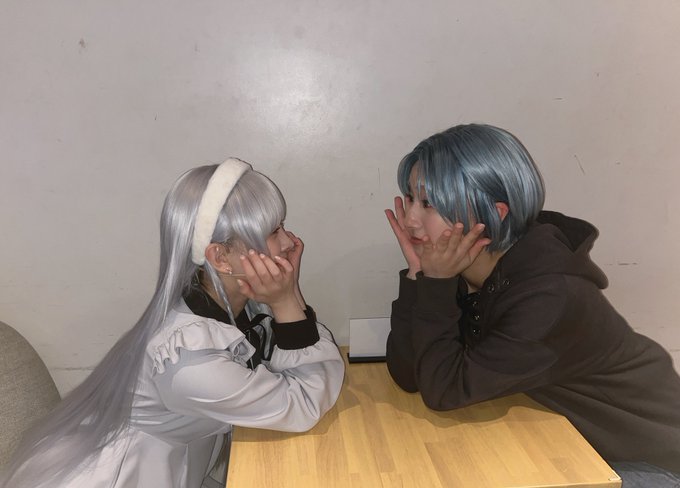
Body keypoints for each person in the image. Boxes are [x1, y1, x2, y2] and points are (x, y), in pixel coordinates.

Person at [2, 158, 344, 488]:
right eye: (273, 231)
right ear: (221, 257)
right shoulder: (188, 359)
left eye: (282, 226)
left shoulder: (223, 305)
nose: (289, 242)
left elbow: (290, 367)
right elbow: (304, 404)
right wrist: (286, 300)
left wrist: (287, 293)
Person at [384, 124, 680, 486]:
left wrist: (436, 284)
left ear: (492, 213)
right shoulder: (464, 269)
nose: (410, 220)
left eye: (428, 203)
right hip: (575, 444)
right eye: (409, 198)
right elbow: (409, 374)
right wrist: (420, 275)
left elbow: (444, 391)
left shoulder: (550, 296)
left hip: (645, 463)